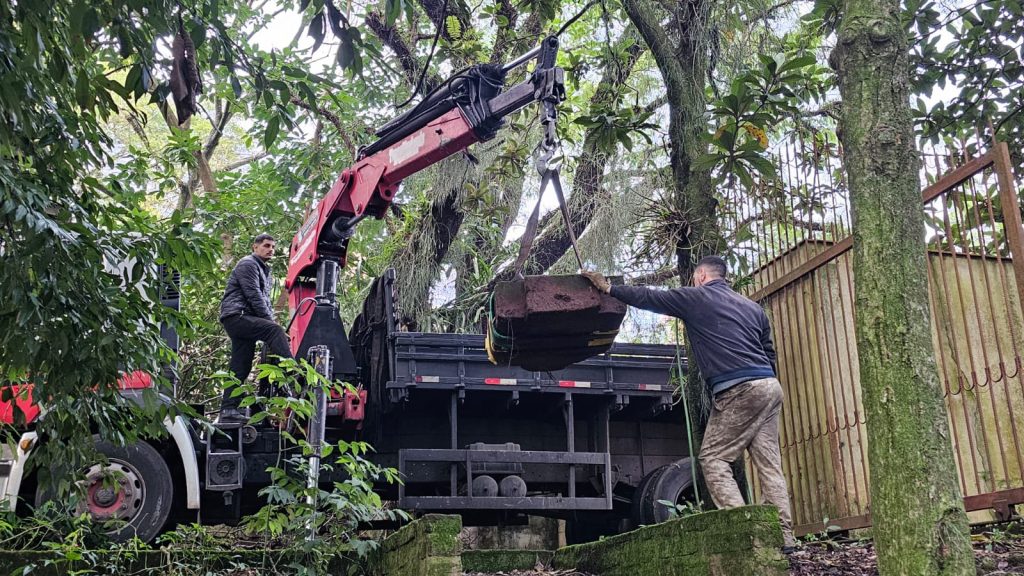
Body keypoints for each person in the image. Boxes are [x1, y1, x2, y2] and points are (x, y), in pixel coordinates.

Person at [582, 256, 795, 548]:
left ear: (701, 276)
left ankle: (747, 530)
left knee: (713, 458)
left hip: (738, 388)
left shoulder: (697, 298)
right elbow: (768, 351)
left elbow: (650, 297)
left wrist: (609, 289)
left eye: (695, 278)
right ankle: (784, 536)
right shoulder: (753, 308)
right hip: (769, 387)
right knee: (769, 465)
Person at [218, 233, 293, 422]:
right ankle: (294, 371)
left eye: (273, 247)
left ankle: (228, 409)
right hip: (238, 316)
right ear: (255, 247)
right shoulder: (248, 264)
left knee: (240, 365)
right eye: (266, 245)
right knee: (273, 331)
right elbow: (254, 296)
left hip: (242, 318)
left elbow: (265, 302)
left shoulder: (262, 269)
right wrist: (274, 325)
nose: (270, 249)